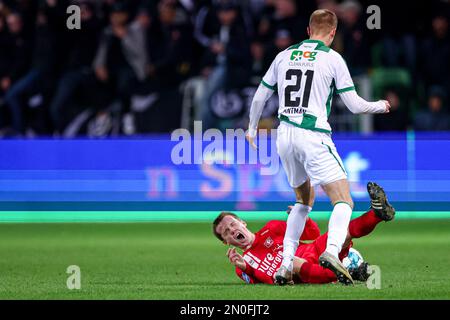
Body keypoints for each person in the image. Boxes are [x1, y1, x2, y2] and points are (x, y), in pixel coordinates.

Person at [245, 9, 391, 285]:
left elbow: (261, 95)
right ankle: (333, 251)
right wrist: (380, 106)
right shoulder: (333, 58)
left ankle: (285, 265)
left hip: (284, 135)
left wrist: (252, 128)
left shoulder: (283, 55)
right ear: (333, 33)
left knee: (303, 201)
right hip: (312, 135)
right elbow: (355, 105)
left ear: (309, 31)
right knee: (344, 201)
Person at [213, 182, 395, 285]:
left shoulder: (272, 228)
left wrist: (302, 219)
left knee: (342, 232)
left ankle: (376, 214)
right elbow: (260, 282)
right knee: (291, 262)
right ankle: (345, 273)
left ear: (242, 222)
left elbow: (313, 233)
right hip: (297, 268)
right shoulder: (241, 265)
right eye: (226, 233)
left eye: (232, 224)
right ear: (226, 242)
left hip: (312, 249)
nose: (232, 230)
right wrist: (246, 268)